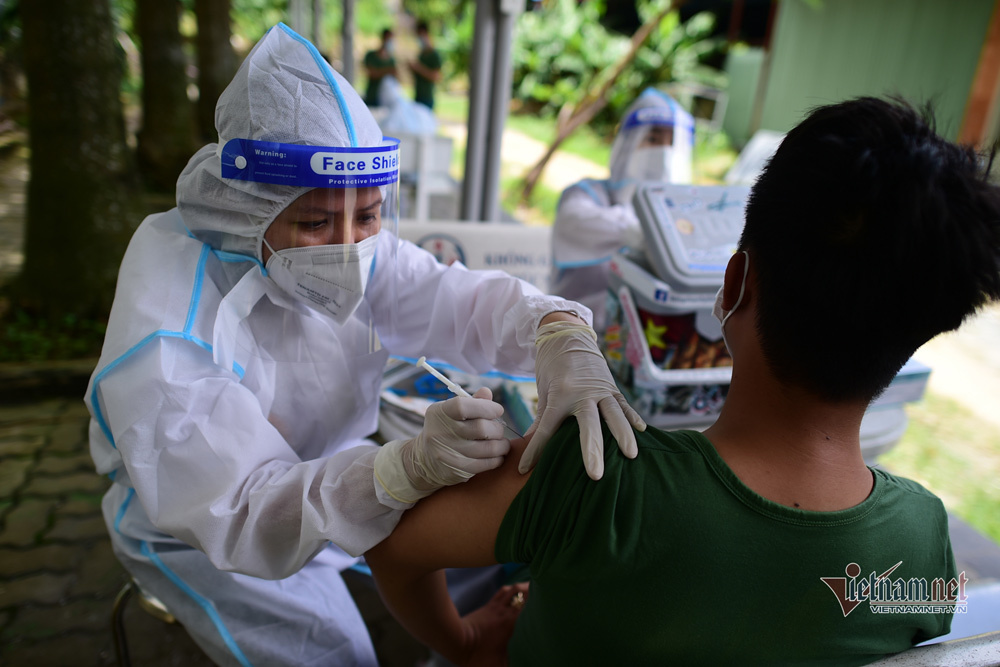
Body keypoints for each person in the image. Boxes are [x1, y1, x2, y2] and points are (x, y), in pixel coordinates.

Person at [84, 23, 645, 666]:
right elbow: (240, 510)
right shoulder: (170, 333)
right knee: (336, 655)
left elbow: (452, 298)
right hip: (198, 525)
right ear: (247, 208)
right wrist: (403, 470)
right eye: (317, 221)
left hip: (336, 467)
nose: (351, 248)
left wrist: (556, 330)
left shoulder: (353, 250)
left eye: (370, 215)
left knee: (461, 561)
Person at [365, 97, 1000, 665]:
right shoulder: (922, 542)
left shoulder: (594, 480)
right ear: (920, 332)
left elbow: (391, 550)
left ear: (733, 283)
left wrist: (466, 643)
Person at [550, 87, 694, 332]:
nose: (663, 152)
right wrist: (642, 234)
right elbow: (574, 220)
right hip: (576, 336)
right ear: (628, 143)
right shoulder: (587, 194)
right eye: (653, 139)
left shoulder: (683, 212)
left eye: (672, 143)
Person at [409, 20, 443, 110]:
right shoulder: (421, 54)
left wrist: (419, 68)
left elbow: (436, 76)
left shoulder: (434, 55)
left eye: (419, 35)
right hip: (418, 96)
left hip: (427, 98)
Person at [363, 27, 399, 107]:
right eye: (389, 39)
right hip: (372, 97)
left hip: (384, 100)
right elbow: (372, 73)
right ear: (383, 38)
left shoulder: (391, 60)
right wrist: (387, 71)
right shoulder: (371, 56)